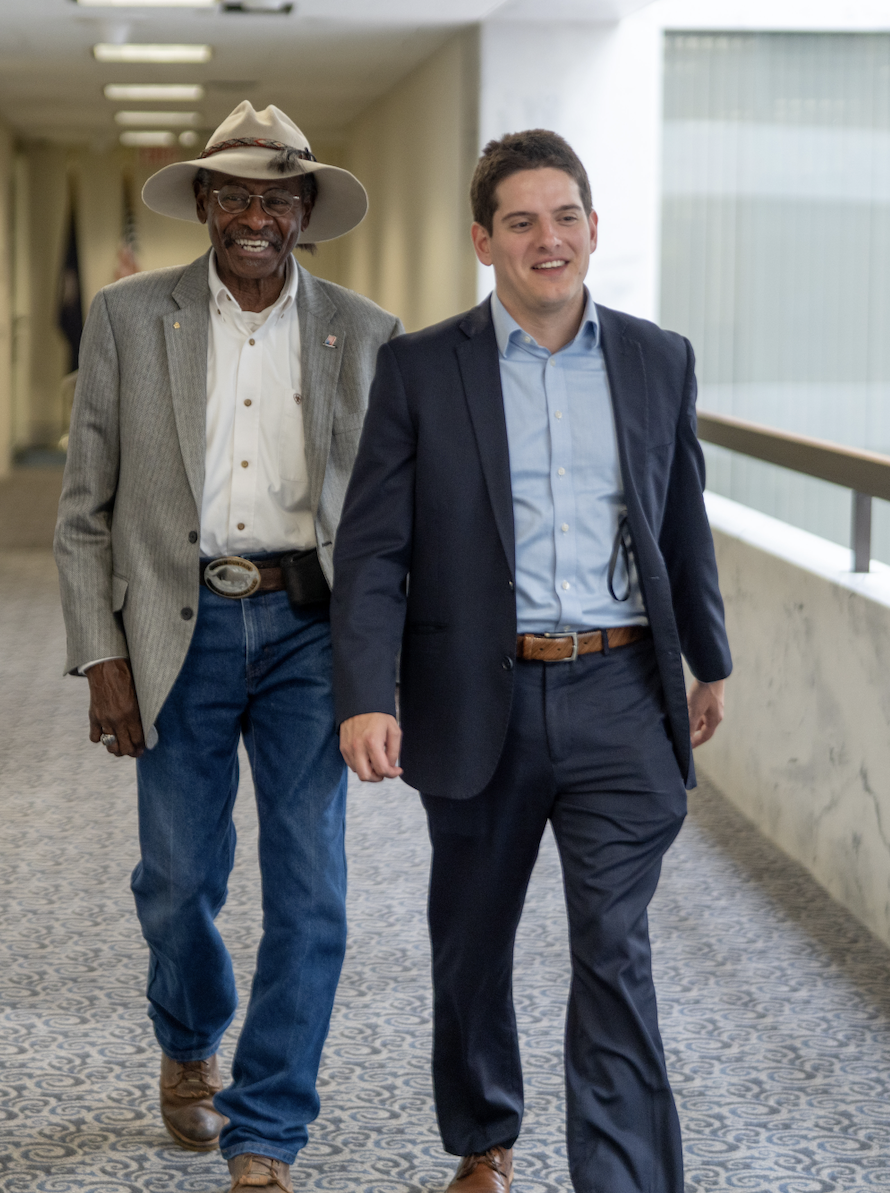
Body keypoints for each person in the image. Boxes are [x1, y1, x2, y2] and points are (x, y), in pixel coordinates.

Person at [330, 130, 732, 1193]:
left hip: (617, 689)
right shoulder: (421, 368)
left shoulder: (658, 358)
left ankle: (627, 1175)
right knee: (471, 935)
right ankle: (483, 1135)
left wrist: (710, 659)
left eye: (565, 218)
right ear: (484, 240)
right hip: (476, 697)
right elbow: (374, 546)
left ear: (594, 229)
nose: (547, 240)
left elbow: (680, 519)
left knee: (614, 944)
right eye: (521, 221)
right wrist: (367, 693)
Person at [54, 102, 401, 1193]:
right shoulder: (125, 316)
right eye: (238, 193)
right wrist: (101, 653)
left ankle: (267, 1126)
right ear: (206, 204)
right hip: (176, 624)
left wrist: (384, 667)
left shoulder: (367, 330)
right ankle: (190, 1032)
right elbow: (82, 507)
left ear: (306, 211)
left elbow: (393, 523)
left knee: (314, 893)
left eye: (278, 196)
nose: (258, 214)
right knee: (178, 877)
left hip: (311, 628)